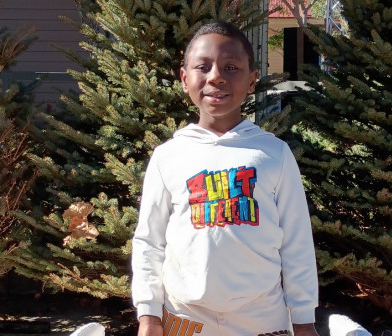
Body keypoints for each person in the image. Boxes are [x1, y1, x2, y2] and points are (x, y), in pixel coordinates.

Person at [131, 21, 319, 336]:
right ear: (184, 78)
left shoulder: (274, 154)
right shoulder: (168, 157)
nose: (216, 76)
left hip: (262, 319)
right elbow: (150, 241)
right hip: (184, 318)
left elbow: (296, 242)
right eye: (203, 67)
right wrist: (149, 315)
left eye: (231, 67)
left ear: (252, 80)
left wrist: (303, 320)